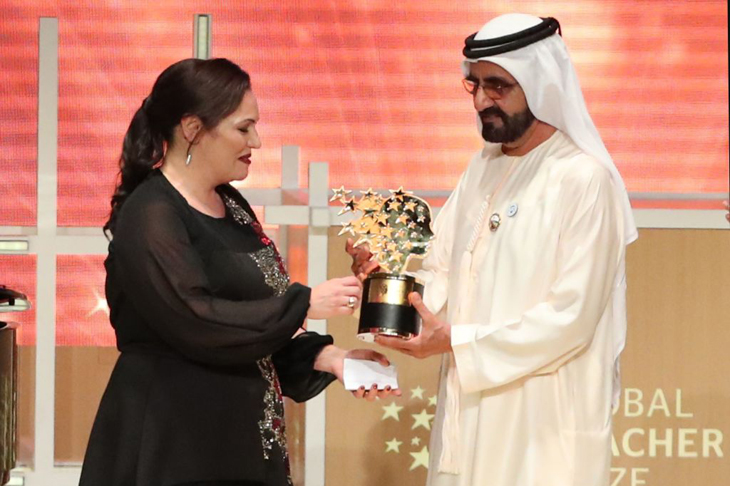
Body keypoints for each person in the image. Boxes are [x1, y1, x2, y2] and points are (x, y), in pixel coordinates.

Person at [348, 14, 637, 486]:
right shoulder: (480, 169)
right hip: (470, 412)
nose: (482, 100)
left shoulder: (583, 179)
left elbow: (572, 316)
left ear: (539, 82)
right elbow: (443, 279)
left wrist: (458, 342)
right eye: (475, 85)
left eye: (498, 86)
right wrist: (387, 279)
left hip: (542, 428)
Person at [80, 58, 398, 486]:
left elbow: (254, 323)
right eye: (243, 128)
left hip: (238, 441)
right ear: (192, 129)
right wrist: (304, 301)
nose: (258, 141)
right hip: (173, 443)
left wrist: (334, 359)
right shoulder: (152, 213)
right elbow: (196, 320)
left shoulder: (232, 206)